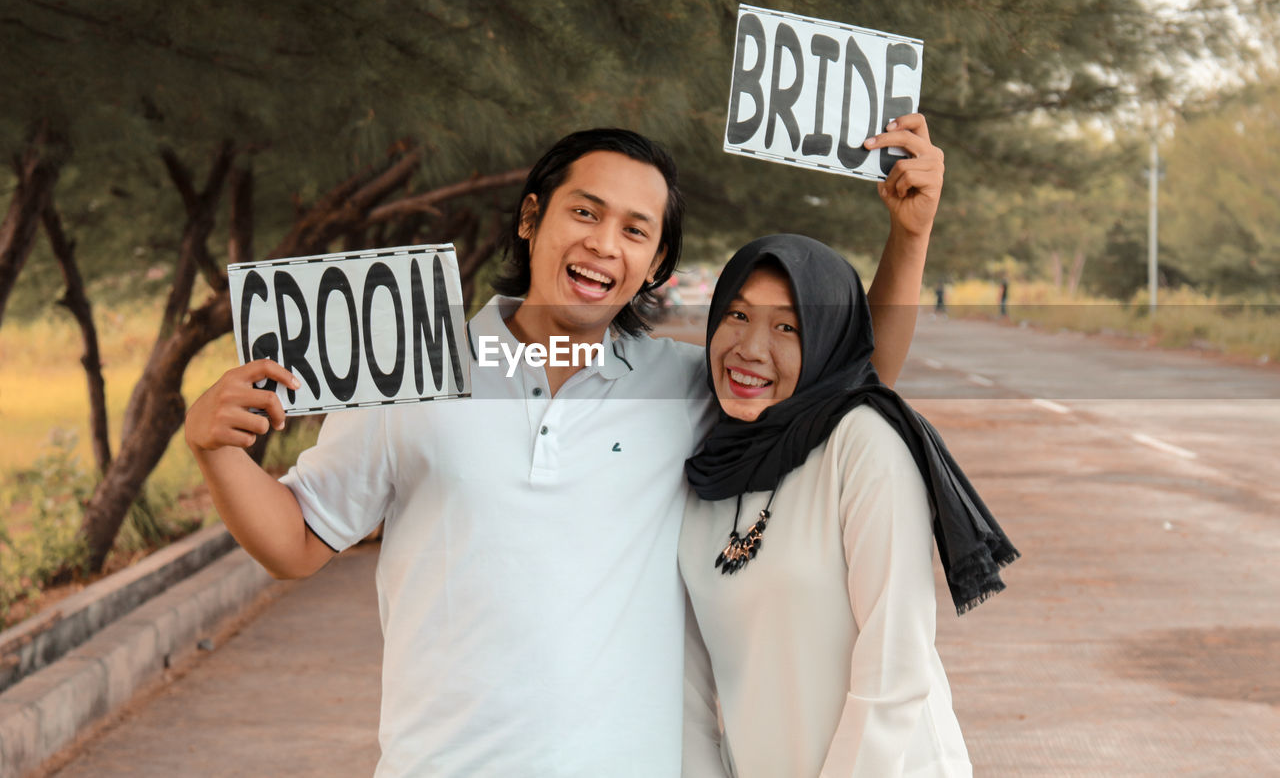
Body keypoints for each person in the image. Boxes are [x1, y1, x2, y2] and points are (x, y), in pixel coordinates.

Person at [183, 117, 943, 777]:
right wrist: (215, 449)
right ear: (531, 219)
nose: (603, 244)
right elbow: (295, 540)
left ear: (657, 267)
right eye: (585, 211)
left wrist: (908, 239)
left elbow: (843, 377)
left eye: (635, 230)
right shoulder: (408, 369)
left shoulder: (684, 387)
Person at [679, 234, 1019, 778]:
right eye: (738, 315)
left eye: (787, 327)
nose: (750, 347)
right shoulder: (706, 470)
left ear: (827, 343)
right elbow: (691, 685)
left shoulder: (862, 444)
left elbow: (896, 662)